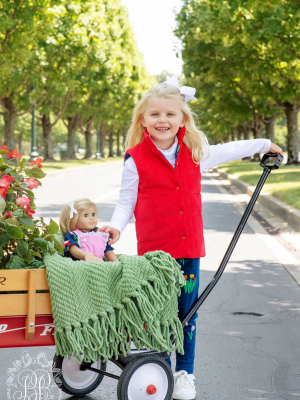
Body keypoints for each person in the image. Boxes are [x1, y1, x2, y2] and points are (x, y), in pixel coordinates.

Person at [100, 75, 283, 400]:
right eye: (155, 114)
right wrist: (115, 228)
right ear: (143, 119)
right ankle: (162, 367)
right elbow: (126, 202)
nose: (162, 120)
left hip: (187, 250)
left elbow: (230, 150)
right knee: (159, 312)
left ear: (182, 118)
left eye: (170, 114)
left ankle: (184, 374)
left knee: (187, 313)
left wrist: (264, 144)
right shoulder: (135, 159)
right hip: (155, 255)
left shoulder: (194, 152)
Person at [59, 198, 118, 263]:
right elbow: (73, 249)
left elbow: (108, 251)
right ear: (73, 220)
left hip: (100, 264)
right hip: (81, 265)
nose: (91, 218)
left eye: (93, 214)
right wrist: (85, 256)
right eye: (86, 215)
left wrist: (116, 263)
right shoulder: (73, 235)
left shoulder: (100, 233)